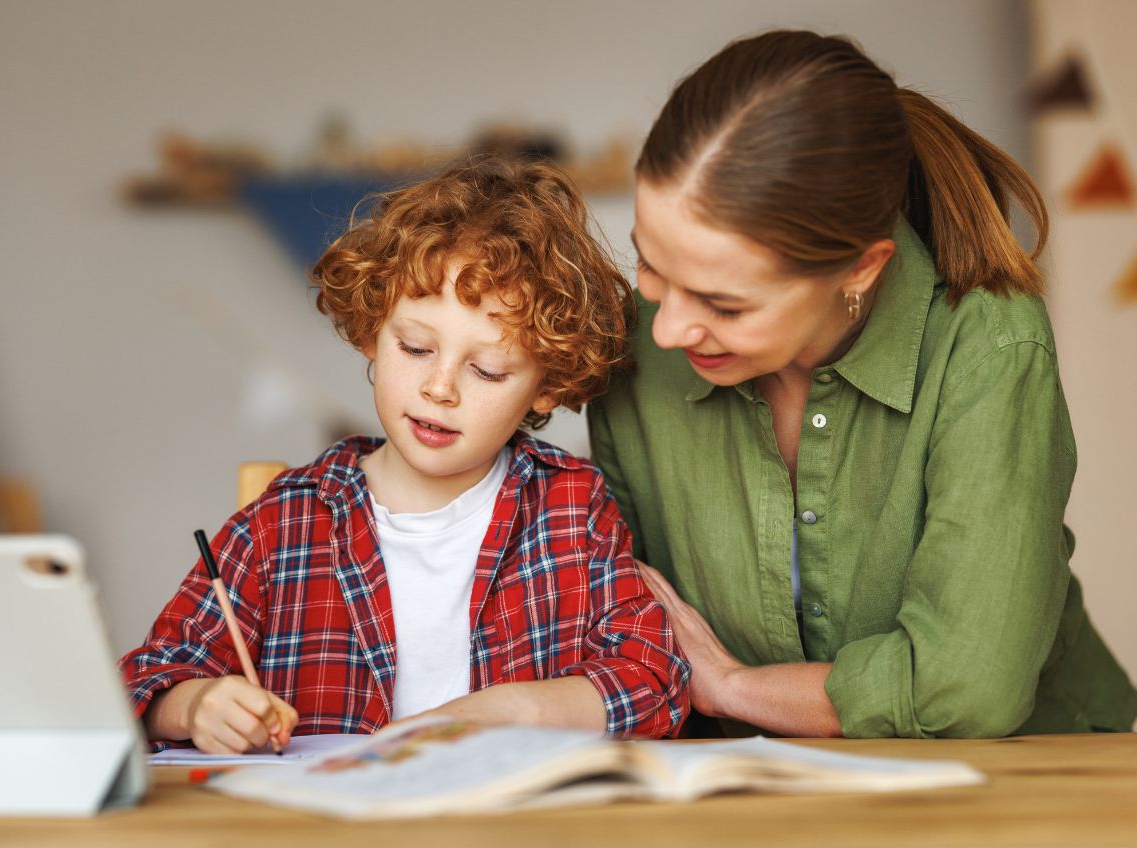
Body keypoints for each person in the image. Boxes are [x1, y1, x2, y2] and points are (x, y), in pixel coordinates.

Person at [588, 29, 1137, 739]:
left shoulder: (989, 344)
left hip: (1027, 782)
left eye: (724, 304)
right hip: (758, 796)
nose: (667, 329)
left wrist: (730, 687)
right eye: (653, 267)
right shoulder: (637, 348)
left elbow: (966, 692)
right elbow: (623, 627)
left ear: (861, 269)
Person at [120, 157, 689, 754]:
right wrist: (197, 707)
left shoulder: (569, 506)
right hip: (332, 840)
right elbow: (145, 680)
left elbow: (653, 679)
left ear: (547, 385)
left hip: (514, 836)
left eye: (488, 370)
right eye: (416, 347)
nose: (440, 388)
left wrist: (515, 707)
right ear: (372, 331)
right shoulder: (286, 520)